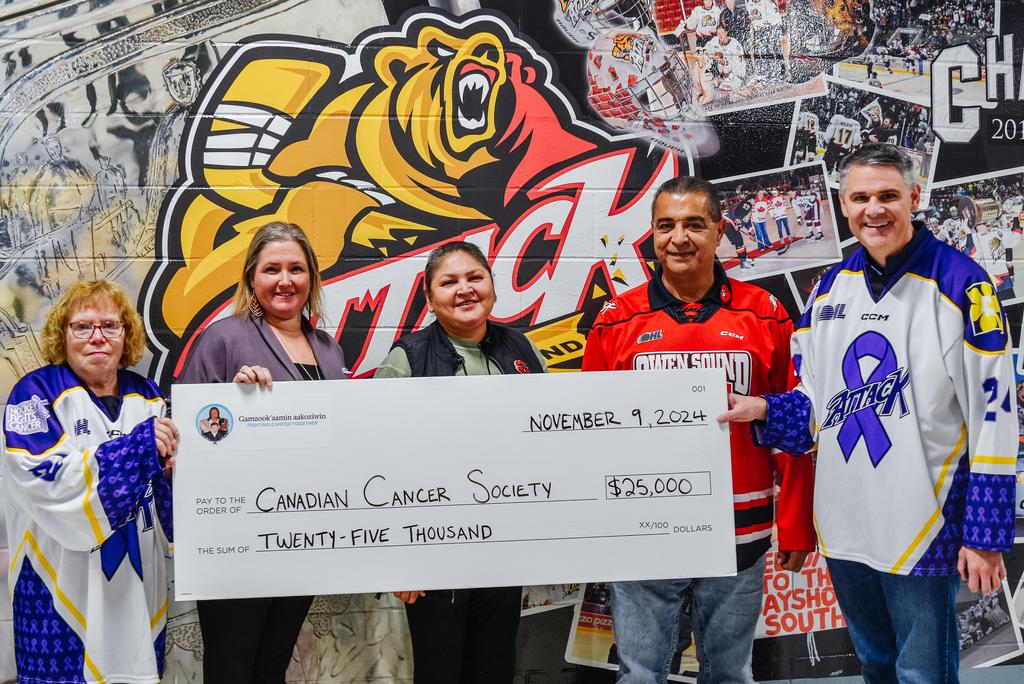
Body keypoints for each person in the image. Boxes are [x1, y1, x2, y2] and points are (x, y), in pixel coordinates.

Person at [720, 144, 1017, 682]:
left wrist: (985, 535)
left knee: (923, 672)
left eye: (887, 196)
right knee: (876, 664)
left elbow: (994, 419)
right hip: (846, 522)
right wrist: (763, 407)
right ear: (843, 203)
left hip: (921, 524)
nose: (873, 210)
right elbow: (816, 406)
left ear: (915, 198)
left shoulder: (962, 285)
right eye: (860, 198)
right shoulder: (828, 290)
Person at [581, 176, 815, 683]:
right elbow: (591, 437)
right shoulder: (616, 320)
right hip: (646, 526)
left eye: (694, 225)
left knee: (730, 673)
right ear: (652, 234)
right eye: (666, 226)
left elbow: (794, 423)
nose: (679, 238)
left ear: (719, 230)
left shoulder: (766, 313)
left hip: (742, 527)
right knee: (641, 674)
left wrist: (796, 521)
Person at [177, 221, 348, 683]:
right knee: (232, 668)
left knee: (272, 666)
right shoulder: (225, 338)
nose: (285, 280)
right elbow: (186, 438)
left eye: (296, 268)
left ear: (311, 278)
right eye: (272, 269)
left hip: (303, 535)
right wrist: (233, 403)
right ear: (252, 278)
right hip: (238, 538)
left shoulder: (329, 349)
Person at [375, 241, 547, 683]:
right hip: (434, 554)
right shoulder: (406, 360)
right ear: (430, 300)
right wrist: (400, 557)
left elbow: (548, 444)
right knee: (440, 672)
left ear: (492, 286)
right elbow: (379, 460)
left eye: (474, 277)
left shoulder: (522, 349)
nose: (465, 289)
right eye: (448, 282)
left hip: (504, 548)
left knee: (494, 669)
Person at [2, 279, 179, 684]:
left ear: (126, 334)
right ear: (62, 335)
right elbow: (45, 481)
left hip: (137, 589)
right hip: (60, 591)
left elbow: (167, 499)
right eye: (82, 326)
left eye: (110, 325)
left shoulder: (149, 396)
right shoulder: (32, 395)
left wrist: (171, 474)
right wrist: (138, 450)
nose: (97, 337)